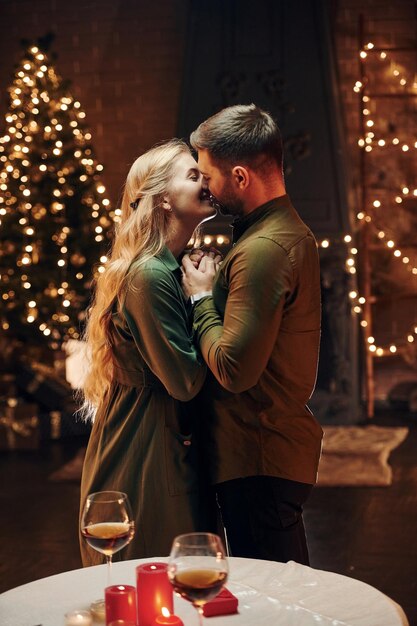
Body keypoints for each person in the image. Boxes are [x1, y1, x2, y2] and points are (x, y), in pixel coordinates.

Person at [182, 104, 323, 565]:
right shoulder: (276, 234)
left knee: (275, 607)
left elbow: (234, 368)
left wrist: (202, 297)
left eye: (208, 176)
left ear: (240, 177)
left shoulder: (263, 249)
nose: (204, 187)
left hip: (257, 456)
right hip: (263, 455)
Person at [79, 139, 218, 565]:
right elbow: (185, 381)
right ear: (161, 199)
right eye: (193, 175)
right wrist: (203, 299)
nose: (205, 180)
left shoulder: (168, 265)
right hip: (145, 449)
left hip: (155, 436)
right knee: (158, 578)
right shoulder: (150, 275)